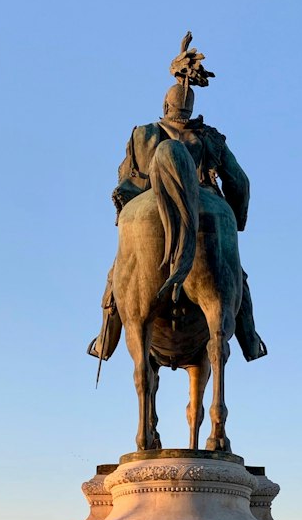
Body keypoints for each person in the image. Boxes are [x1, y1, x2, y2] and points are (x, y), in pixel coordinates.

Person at [88, 35, 266, 365]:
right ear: (190, 109)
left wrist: (124, 205)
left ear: (165, 107)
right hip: (208, 215)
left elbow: (127, 182)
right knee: (236, 277)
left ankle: (105, 339)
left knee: (118, 274)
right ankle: (250, 339)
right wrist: (234, 223)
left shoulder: (142, 134)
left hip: (147, 213)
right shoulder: (210, 137)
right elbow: (240, 182)